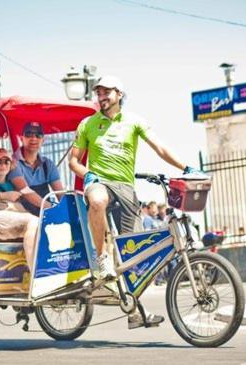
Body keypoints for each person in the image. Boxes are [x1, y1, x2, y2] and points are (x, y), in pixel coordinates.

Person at [69, 75, 199, 329]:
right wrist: (88, 174)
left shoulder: (134, 121)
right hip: (99, 182)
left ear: (119, 93)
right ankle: (102, 257)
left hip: (127, 189)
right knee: (97, 199)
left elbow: (159, 147)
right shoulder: (87, 124)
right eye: (99, 93)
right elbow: (74, 161)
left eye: (106, 92)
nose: (102, 97)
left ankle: (135, 310)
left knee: (135, 258)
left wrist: (186, 167)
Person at [0, 148, 39, 271]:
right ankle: (34, 273)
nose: (3, 165)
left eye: (6, 162)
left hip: (10, 215)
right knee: (34, 222)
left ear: (11, 165)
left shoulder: (12, 184)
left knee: (40, 222)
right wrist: (5, 196)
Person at [11, 121, 64, 215]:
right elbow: (25, 191)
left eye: (38, 135)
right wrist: (52, 208)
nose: (33, 138)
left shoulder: (48, 164)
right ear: (21, 138)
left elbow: (60, 194)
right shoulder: (13, 163)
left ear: (43, 139)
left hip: (45, 214)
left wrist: (67, 209)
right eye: (28, 134)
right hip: (22, 216)